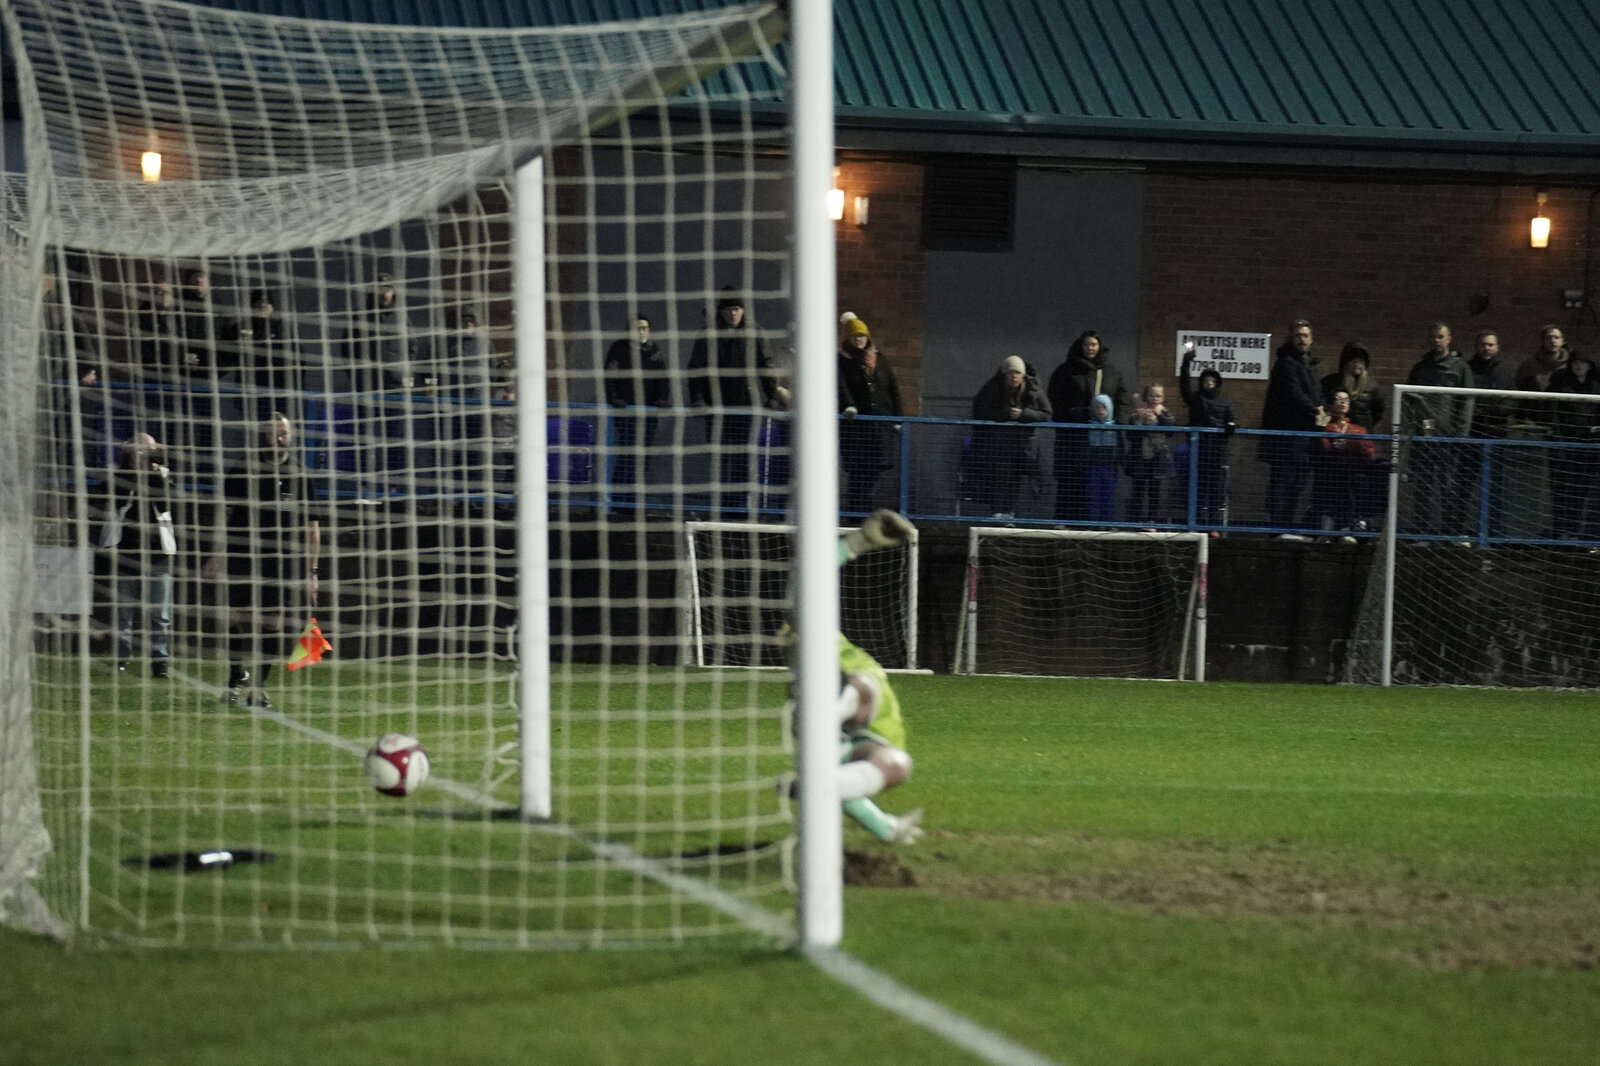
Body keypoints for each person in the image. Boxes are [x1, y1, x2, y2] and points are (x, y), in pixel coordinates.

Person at [209, 413, 321, 708]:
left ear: (291, 436)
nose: (277, 438)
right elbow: (225, 513)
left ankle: (258, 688)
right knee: (229, 617)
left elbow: (312, 526)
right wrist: (215, 554)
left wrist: (312, 572)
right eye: (271, 433)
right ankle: (236, 676)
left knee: (272, 623)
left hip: (280, 560)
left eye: (282, 433)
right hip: (242, 554)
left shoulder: (298, 473)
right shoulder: (244, 467)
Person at [687, 288, 785, 516]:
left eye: (737, 309)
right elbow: (696, 369)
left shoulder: (754, 333)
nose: (734, 314)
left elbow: (765, 365)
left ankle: (740, 508)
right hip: (717, 405)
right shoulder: (709, 334)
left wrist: (771, 395)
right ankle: (723, 508)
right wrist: (698, 399)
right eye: (729, 309)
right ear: (721, 312)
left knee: (743, 458)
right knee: (721, 459)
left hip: (745, 405)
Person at [103, 433, 178, 678]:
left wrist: (153, 471)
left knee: (160, 614)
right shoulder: (118, 474)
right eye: (138, 449)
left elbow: (167, 505)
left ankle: (160, 661)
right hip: (126, 550)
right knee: (123, 612)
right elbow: (114, 500)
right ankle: (121, 658)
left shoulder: (163, 475)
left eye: (148, 450)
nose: (143, 454)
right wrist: (131, 470)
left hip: (158, 554)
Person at [1047, 330, 1129, 521]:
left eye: (1094, 344)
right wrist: (1070, 416)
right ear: (1080, 346)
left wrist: (1118, 421)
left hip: (1103, 440)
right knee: (1069, 477)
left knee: (1101, 482)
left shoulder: (1111, 372)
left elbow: (1122, 398)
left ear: (1100, 346)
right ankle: (1065, 519)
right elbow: (1055, 399)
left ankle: (1097, 521)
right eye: (1086, 344)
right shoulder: (1065, 371)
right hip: (1072, 436)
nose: (1090, 348)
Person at [1257, 318, 1326, 536]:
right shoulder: (1286, 364)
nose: (1302, 340)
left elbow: (1315, 394)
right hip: (1286, 439)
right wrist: (1317, 412)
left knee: (1297, 484)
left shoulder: (1309, 366)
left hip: (1303, 439)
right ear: (1290, 338)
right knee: (1283, 483)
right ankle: (1279, 528)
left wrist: (1321, 409)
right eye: (1298, 336)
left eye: (1305, 336)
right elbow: (1293, 394)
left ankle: (1285, 527)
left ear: (1311, 339)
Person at [1405, 322, 1475, 537]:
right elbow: (1409, 401)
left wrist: (1460, 435)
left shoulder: (1460, 367)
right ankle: (1421, 532)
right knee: (1423, 484)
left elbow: (1467, 402)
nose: (1436, 340)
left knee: (1449, 486)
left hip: (1450, 435)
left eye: (1440, 336)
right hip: (1426, 430)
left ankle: (1450, 533)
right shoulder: (1420, 368)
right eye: (1433, 336)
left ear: (1449, 338)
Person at [835, 312, 903, 513]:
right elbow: (841, 386)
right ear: (848, 338)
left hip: (880, 425)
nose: (859, 340)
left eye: (862, 336)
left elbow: (893, 389)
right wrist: (849, 406)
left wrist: (898, 417)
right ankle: (856, 511)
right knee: (859, 470)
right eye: (855, 336)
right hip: (857, 426)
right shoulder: (842, 360)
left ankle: (861, 510)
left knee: (873, 470)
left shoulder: (879, 359)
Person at [970, 355, 1052, 518]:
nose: (1014, 377)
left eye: (1017, 373)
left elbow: (1047, 414)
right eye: (1010, 373)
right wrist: (1005, 414)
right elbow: (979, 411)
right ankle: (997, 512)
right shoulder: (992, 388)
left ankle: (1009, 512)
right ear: (1004, 374)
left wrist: (1024, 414)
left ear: (1023, 375)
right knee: (999, 477)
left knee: (1015, 479)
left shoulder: (1033, 389)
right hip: (998, 443)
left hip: (1023, 445)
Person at [602, 314, 668, 502]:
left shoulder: (655, 351)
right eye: (637, 328)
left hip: (648, 414)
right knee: (626, 454)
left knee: (643, 455)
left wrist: (661, 399)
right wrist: (614, 399)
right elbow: (610, 376)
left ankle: (634, 500)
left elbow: (663, 380)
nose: (641, 332)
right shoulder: (619, 349)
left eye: (644, 328)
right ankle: (618, 499)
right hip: (626, 412)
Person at [1177, 346, 1238, 527]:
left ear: (1217, 383)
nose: (1209, 383)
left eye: (1212, 381)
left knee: (1215, 489)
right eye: (1206, 380)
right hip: (1197, 450)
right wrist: (1186, 363)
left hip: (1217, 452)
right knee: (1197, 488)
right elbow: (1184, 385)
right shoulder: (1195, 399)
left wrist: (1231, 425)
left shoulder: (1225, 402)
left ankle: (1213, 524)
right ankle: (1196, 523)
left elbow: (1233, 420)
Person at [1547, 352, 1600, 540]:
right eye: (1576, 362)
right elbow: (1554, 413)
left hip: (1590, 447)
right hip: (1567, 445)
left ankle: (1579, 533)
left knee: (1584, 492)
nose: (1579, 366)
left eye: (1583, 363)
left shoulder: (1595, 385)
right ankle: (1562, 531)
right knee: (1564, 490)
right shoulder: (1562, 384)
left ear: (1589, 366)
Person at [1310, 389, 1376, 540]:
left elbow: (1368, 449)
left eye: (1346, 400)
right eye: (1338, 400)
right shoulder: (1326, 425)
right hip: (1331, 469)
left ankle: (1349, 527)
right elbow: (1322, 444)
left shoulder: (1357, 427)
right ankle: (1330, 530)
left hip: (1354, 470)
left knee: (1355, 486)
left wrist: (1347, 445)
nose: (1343, 403)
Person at [1125, 383, 1176, 526]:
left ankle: (1152, 520)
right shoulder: (1138, 412)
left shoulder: (1165, 412)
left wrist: (1159, 415)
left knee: (1154, 491)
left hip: (1157, 456)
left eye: (1158, 396)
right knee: (1138, 490)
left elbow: (1171, 431)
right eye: (1152, 395)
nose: (1155, 399)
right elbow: (1130, 434)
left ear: (1163, 398)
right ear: (1146, 397)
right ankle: (1136, 520)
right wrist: (1140, 421)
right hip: (1140, 456)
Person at [1322, 341, 1385, 432]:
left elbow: (1378, 412)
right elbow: (1323, 406)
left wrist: (1367, 428)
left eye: (1361, 361)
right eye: (1353, 360)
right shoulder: (1330, 382)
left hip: (1362, 434)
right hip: (1335, 432)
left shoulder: (1372, 386)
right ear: (1346, 362)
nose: (1357, 364)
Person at [1085, 393, 1120, 524]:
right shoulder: (1090, 427)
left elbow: (1120, 448)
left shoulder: (1114, 428)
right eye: (1097, 407)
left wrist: (1118, 461)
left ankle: (1108, 522)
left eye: (1103, 407)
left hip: (1109, 466)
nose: (1100, 410)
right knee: (1094, 495)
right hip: (1094, 466)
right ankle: (1093, 522)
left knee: (1108, 495)